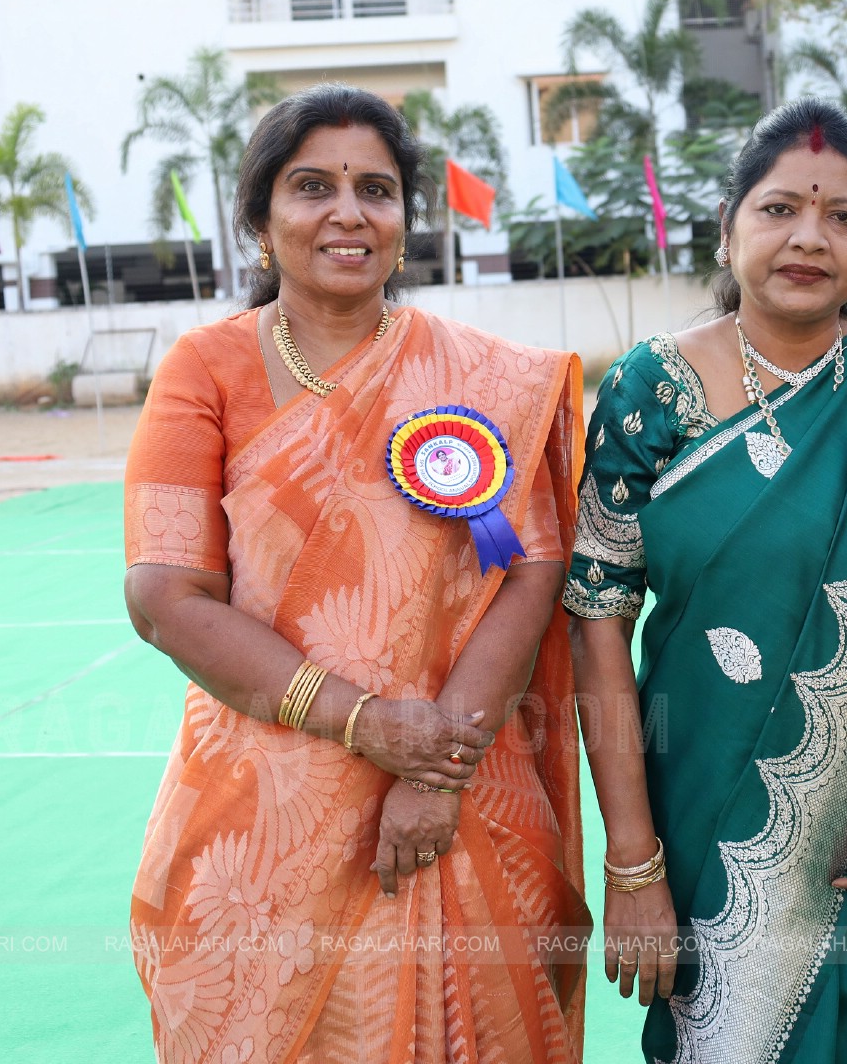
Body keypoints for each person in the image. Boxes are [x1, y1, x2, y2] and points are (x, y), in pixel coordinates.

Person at [122, 85, 589, 1063]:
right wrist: (368, 724)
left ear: (405, 220)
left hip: (455, 800)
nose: (347, 211)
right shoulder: (204, 370)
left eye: (375, 188)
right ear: (260, 219)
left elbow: (533, 568)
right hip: (263, 814)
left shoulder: (477, 376)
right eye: (311, 187)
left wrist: (437, 766)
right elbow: (165, 595)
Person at [564, 99, 847, 1062]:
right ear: (729, 227)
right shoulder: (649, 390)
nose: (809, 237)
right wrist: (633, 864)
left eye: (842, 216)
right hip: (708, 819)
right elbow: (597, 622)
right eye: (779, 208)